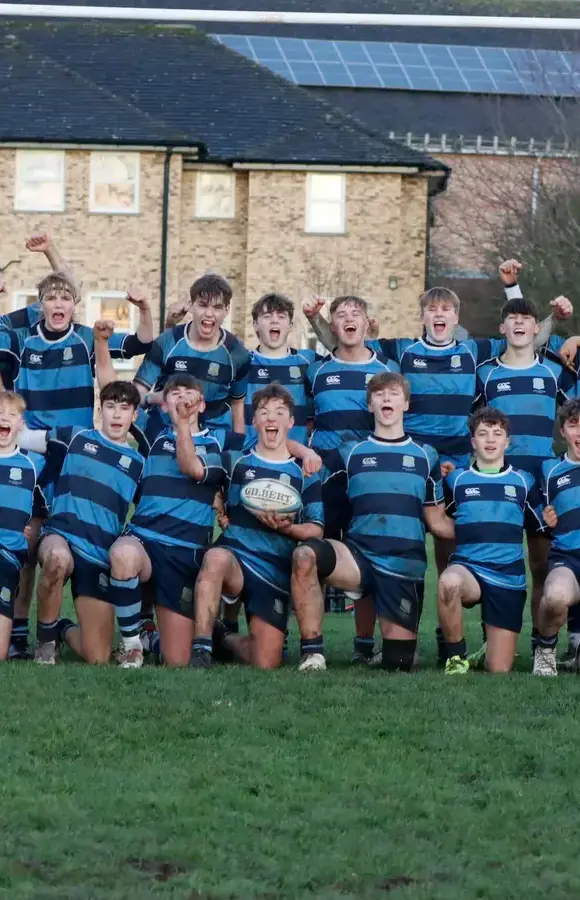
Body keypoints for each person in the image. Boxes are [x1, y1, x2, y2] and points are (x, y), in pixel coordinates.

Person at [302, 266, 572, 661]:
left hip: (460, 464)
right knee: (402, 541)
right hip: (412, 462)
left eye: (446, 309)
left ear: (456, 318)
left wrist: (560, 325)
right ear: (424, 317)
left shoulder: (474, 353)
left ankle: (463, 639)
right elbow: (346, 341)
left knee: (459, 541)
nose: (439, 315)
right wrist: (316, 319)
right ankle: (375, 640)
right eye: (433, 309)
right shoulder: (404, 351)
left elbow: (526, 334)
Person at [0, 272, 152, 658]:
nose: (59, 305)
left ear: (74, 305)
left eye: (66, 298)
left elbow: (139, 343)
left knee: (98, 654)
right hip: (36, 449)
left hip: (77, 455)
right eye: (51, 299)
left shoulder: (86, 337)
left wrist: (144, 309)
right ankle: (22, 634)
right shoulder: (21, 338)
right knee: (29, 541)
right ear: (40, 304)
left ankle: (63, 627)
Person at [291, 371, 454, 673]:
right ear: (370, 406)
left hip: (404, 567)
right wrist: (301, 451)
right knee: (305, 555)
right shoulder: (349, 451)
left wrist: (478, 528)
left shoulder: (426, 455)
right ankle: (312, 653)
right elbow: (311, 477)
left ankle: (392, 648)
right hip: (359, 558)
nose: (386, 398)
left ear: (406, 403)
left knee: (401, 664)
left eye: (393, 394)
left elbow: (438, 522)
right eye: (379, 395)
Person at [187, 383, 324, 670]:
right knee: (216, 557)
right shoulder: (236, 461)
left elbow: (315, 529)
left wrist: (287, 529)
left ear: (291, 422)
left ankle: (222, 636)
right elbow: (196, 469)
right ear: (255, 421)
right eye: (264, 412)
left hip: (273, 569)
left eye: (279, 412)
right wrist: (181, 425)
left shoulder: (304, 472)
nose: (271, 418)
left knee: (266, 661)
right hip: (236, 557)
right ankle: (200, 650)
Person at [474, 294, 576, 656]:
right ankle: (492, 642)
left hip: (542, 484)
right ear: (502, 328)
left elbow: (575, 410)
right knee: (493, 560)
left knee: (541, 564)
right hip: (496, 482)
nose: (519, 324)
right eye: (512, 319)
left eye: (526, 319)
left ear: (538, 329)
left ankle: (540, 645)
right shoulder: (485, 373)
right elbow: (471, 426)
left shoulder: (553, 370)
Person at [107, 374, 231, 668]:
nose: (183, 398)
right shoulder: (151, 439)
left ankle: (156, 637)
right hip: (145, 541)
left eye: (190, 393)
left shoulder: (215, 446)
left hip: (183, 554)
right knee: (123, 555)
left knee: (177, 661)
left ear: (201, 405)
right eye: (175, 393)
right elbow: (113, 393)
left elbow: (190, 468)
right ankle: (131, 646)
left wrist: (183, 427)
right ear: (164, 405)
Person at [29, 381, 144, 665]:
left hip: (98, 555)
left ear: (134, 416)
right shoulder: (74, 438)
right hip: (61, 536)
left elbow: (151, 511)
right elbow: (22, 438)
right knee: (56, 559)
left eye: (124, 408)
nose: (117, 415)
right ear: (100, 411)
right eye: (110, 407)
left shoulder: (139, 464)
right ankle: (46, 644)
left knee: (98, 657)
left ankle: (62, 628)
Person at [438, 408, 543, 675]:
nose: (490, 439)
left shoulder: (523, 481)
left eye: (497, 434)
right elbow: (443, 518)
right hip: (469, 569)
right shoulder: (457, 480)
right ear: (473, 441)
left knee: (498, 669)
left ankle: (489, 651)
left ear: (508, 441)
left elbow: (538, 524)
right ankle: (455, 659)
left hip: (508, 575)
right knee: (449, 582)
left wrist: (550, 520)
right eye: (483, 433)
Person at [134, 273, 251, 444]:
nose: (209, 314)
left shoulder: (237, 353)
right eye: (203, 305)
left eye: (217, 307)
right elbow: (137, 393)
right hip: (166, 433)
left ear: (227, 310)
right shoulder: (168, 341)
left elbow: (237, 405)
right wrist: (152, 400)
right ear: (191, 305)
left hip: (212, 439)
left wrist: (236, 447)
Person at [533, 399, 580, 676]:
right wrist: (546, 522)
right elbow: (546, 522)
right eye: (574, 425)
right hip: (568, 560)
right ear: (562, 432)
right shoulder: (550, 472)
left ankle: (575, 649)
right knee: (553, 598)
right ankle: (545, 653)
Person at [0, 391, 45, 660]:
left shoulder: (33, 464)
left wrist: (30, 529)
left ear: (21, 424)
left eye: (12, 414)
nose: (4, 417)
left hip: (7, 554)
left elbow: (41, 510)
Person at [244, 293, 317, 448]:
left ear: (291, 325)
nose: (275, 320)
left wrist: (315, 318)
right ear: (255, 324)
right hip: (252, 459)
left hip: (295, 458)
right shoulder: (243, 363)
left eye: (281, 316)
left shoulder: (307, 361)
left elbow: (343, 352)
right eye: (267, 316)